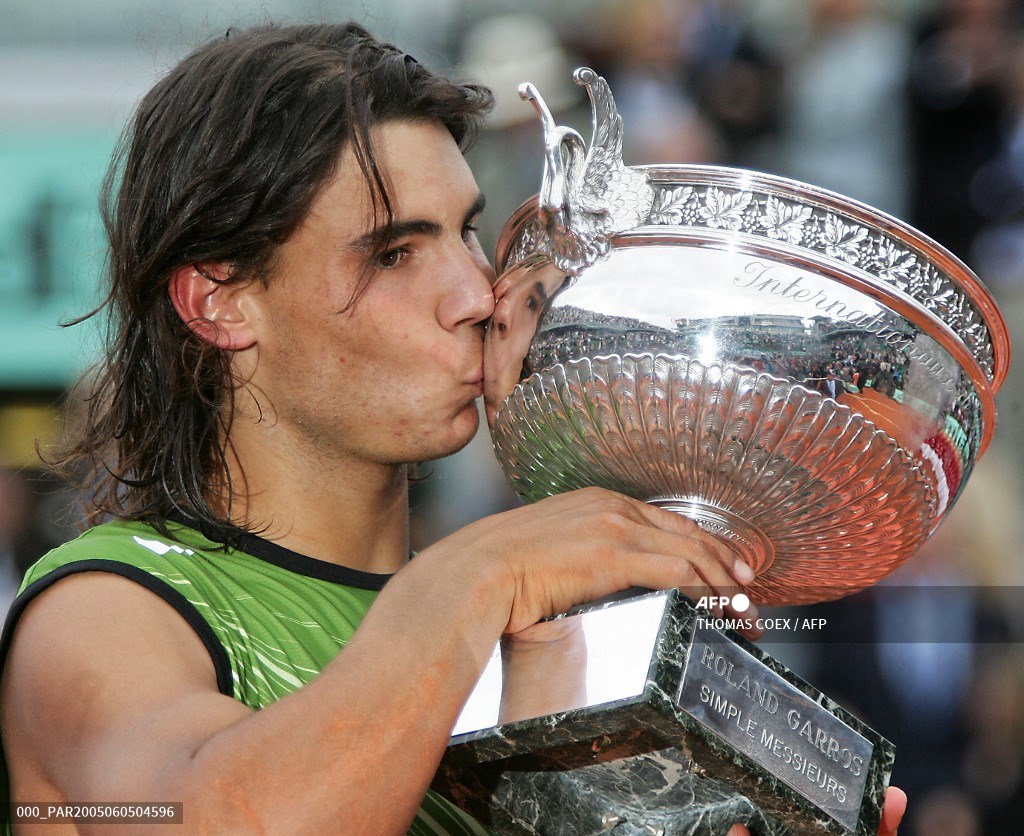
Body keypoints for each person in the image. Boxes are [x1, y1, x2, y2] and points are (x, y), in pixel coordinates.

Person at [0, 22, 905, 835]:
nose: (478, 293)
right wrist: (480, 572)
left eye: (466, 231)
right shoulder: (102, 610)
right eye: (395, 252)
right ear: (222, 301)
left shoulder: (530, 629)